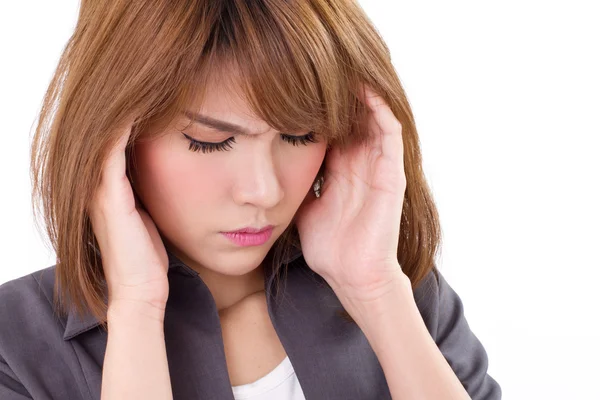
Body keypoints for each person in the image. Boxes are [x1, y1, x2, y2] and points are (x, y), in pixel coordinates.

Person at [0, 0, 501, 399]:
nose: (264, 190)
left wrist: (375, 292)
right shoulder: (16, 345)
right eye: (209, 141)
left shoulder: (404, 293)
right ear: (112, 139)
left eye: (301, 135)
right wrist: (135, 308)